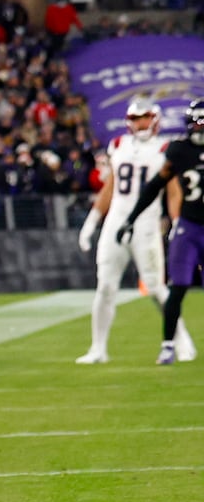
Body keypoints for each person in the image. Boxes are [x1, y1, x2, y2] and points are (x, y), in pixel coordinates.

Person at [77, 97, 196, 364]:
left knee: (155, 287)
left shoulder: (166, 148)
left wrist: (177, 224)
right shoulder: (118, 145)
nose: (140, 123)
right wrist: (92, 221)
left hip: (146, 223)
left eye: (144, 117)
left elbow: (173, 190)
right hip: (116, 221)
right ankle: (98, 349)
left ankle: (182, 340)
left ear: (154, 118)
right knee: (105, 287)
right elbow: (111, 187)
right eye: (135, 118)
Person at [117, 98, 204, 365]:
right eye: (195, 123)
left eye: (203, 123)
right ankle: (168, 346)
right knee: (176, 287)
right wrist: (131, 218)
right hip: (189, 226)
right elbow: (155, 185)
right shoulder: (179, 150)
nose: (198, 129)